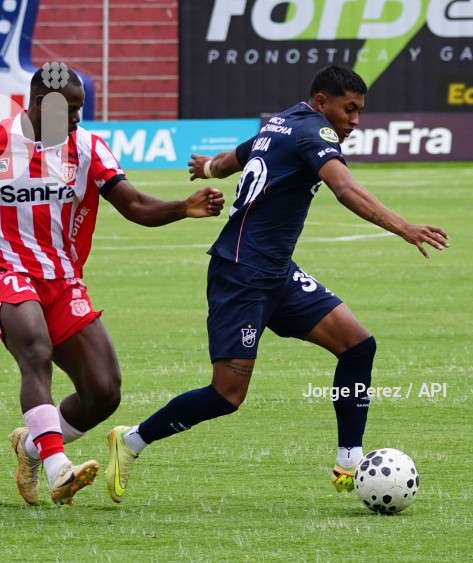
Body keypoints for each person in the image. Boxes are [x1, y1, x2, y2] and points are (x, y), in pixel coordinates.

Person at [103, 65, 450, 503]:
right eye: (350, 110)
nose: (355, 121)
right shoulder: (314, 133)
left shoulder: (280, 123)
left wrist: (207, 169)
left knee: (358, 346)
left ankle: (348, 461)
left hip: (276, 272)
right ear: (323, 103)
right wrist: (403, 226)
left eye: (360, 112)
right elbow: (344, 188)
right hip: (242, 275)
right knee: (226, 395)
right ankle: (131, 441)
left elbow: (234, 158)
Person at [0, 63, 225, 506]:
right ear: (38, 105)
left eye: (80, 109)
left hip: (63, 281)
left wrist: (184, 207)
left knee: (104, 392)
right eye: (69, 109)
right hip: (5, 272)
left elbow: (134, 205)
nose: (77, 119)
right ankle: (57, 467)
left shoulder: (87, 148)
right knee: (35, 349)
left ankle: (30, 447)